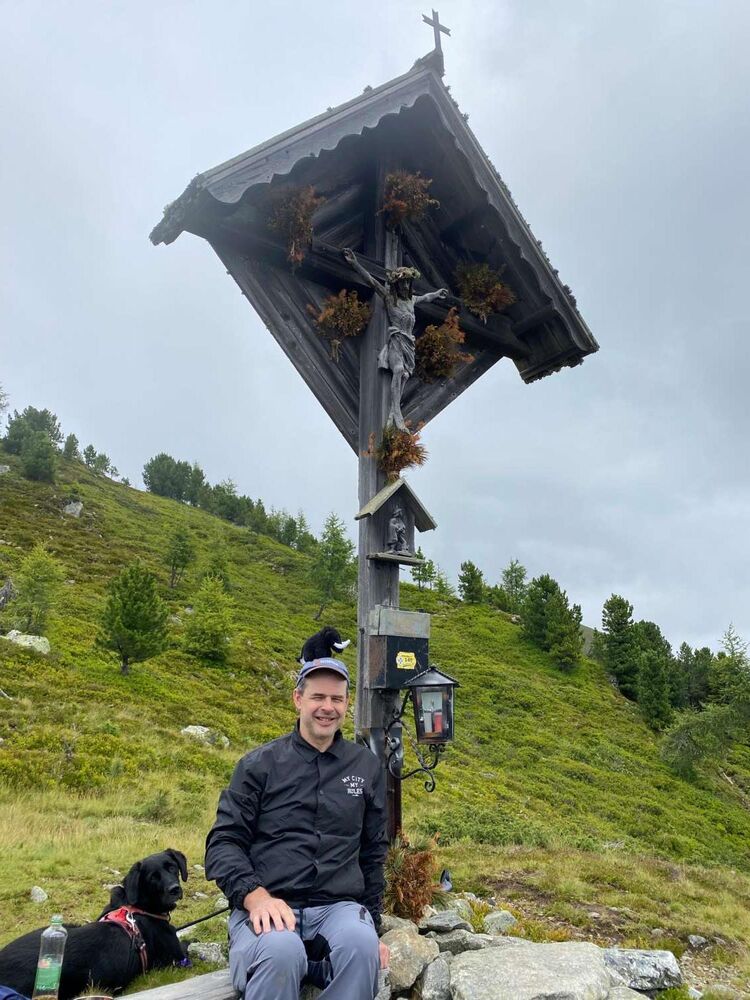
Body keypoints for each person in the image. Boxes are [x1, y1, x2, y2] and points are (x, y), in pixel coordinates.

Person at [205, 657, 389, 1000]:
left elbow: (373, 852)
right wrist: (255, 897)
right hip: (269, 906)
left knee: (361, 945)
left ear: (346, 704)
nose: (327, 707)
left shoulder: (366, 767)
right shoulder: (258, 766)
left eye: (336, 699)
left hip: (337, 909)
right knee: (282, 952)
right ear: (298, 699)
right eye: (318, 697)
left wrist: (373, 928)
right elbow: (224, 843)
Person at [342, 248, 448, 431]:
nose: (405, 286)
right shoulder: (389, 298)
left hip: (409, 344)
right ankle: (397, 415)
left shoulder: (411, 300)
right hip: (396, 341)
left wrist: (437, 293)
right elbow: (371, 281)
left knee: (405, 375)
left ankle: (394, 413)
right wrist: (355, 264)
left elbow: (427, 297)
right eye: (402, 283)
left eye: (407, 282)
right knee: (398, 370)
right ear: (396, 285)